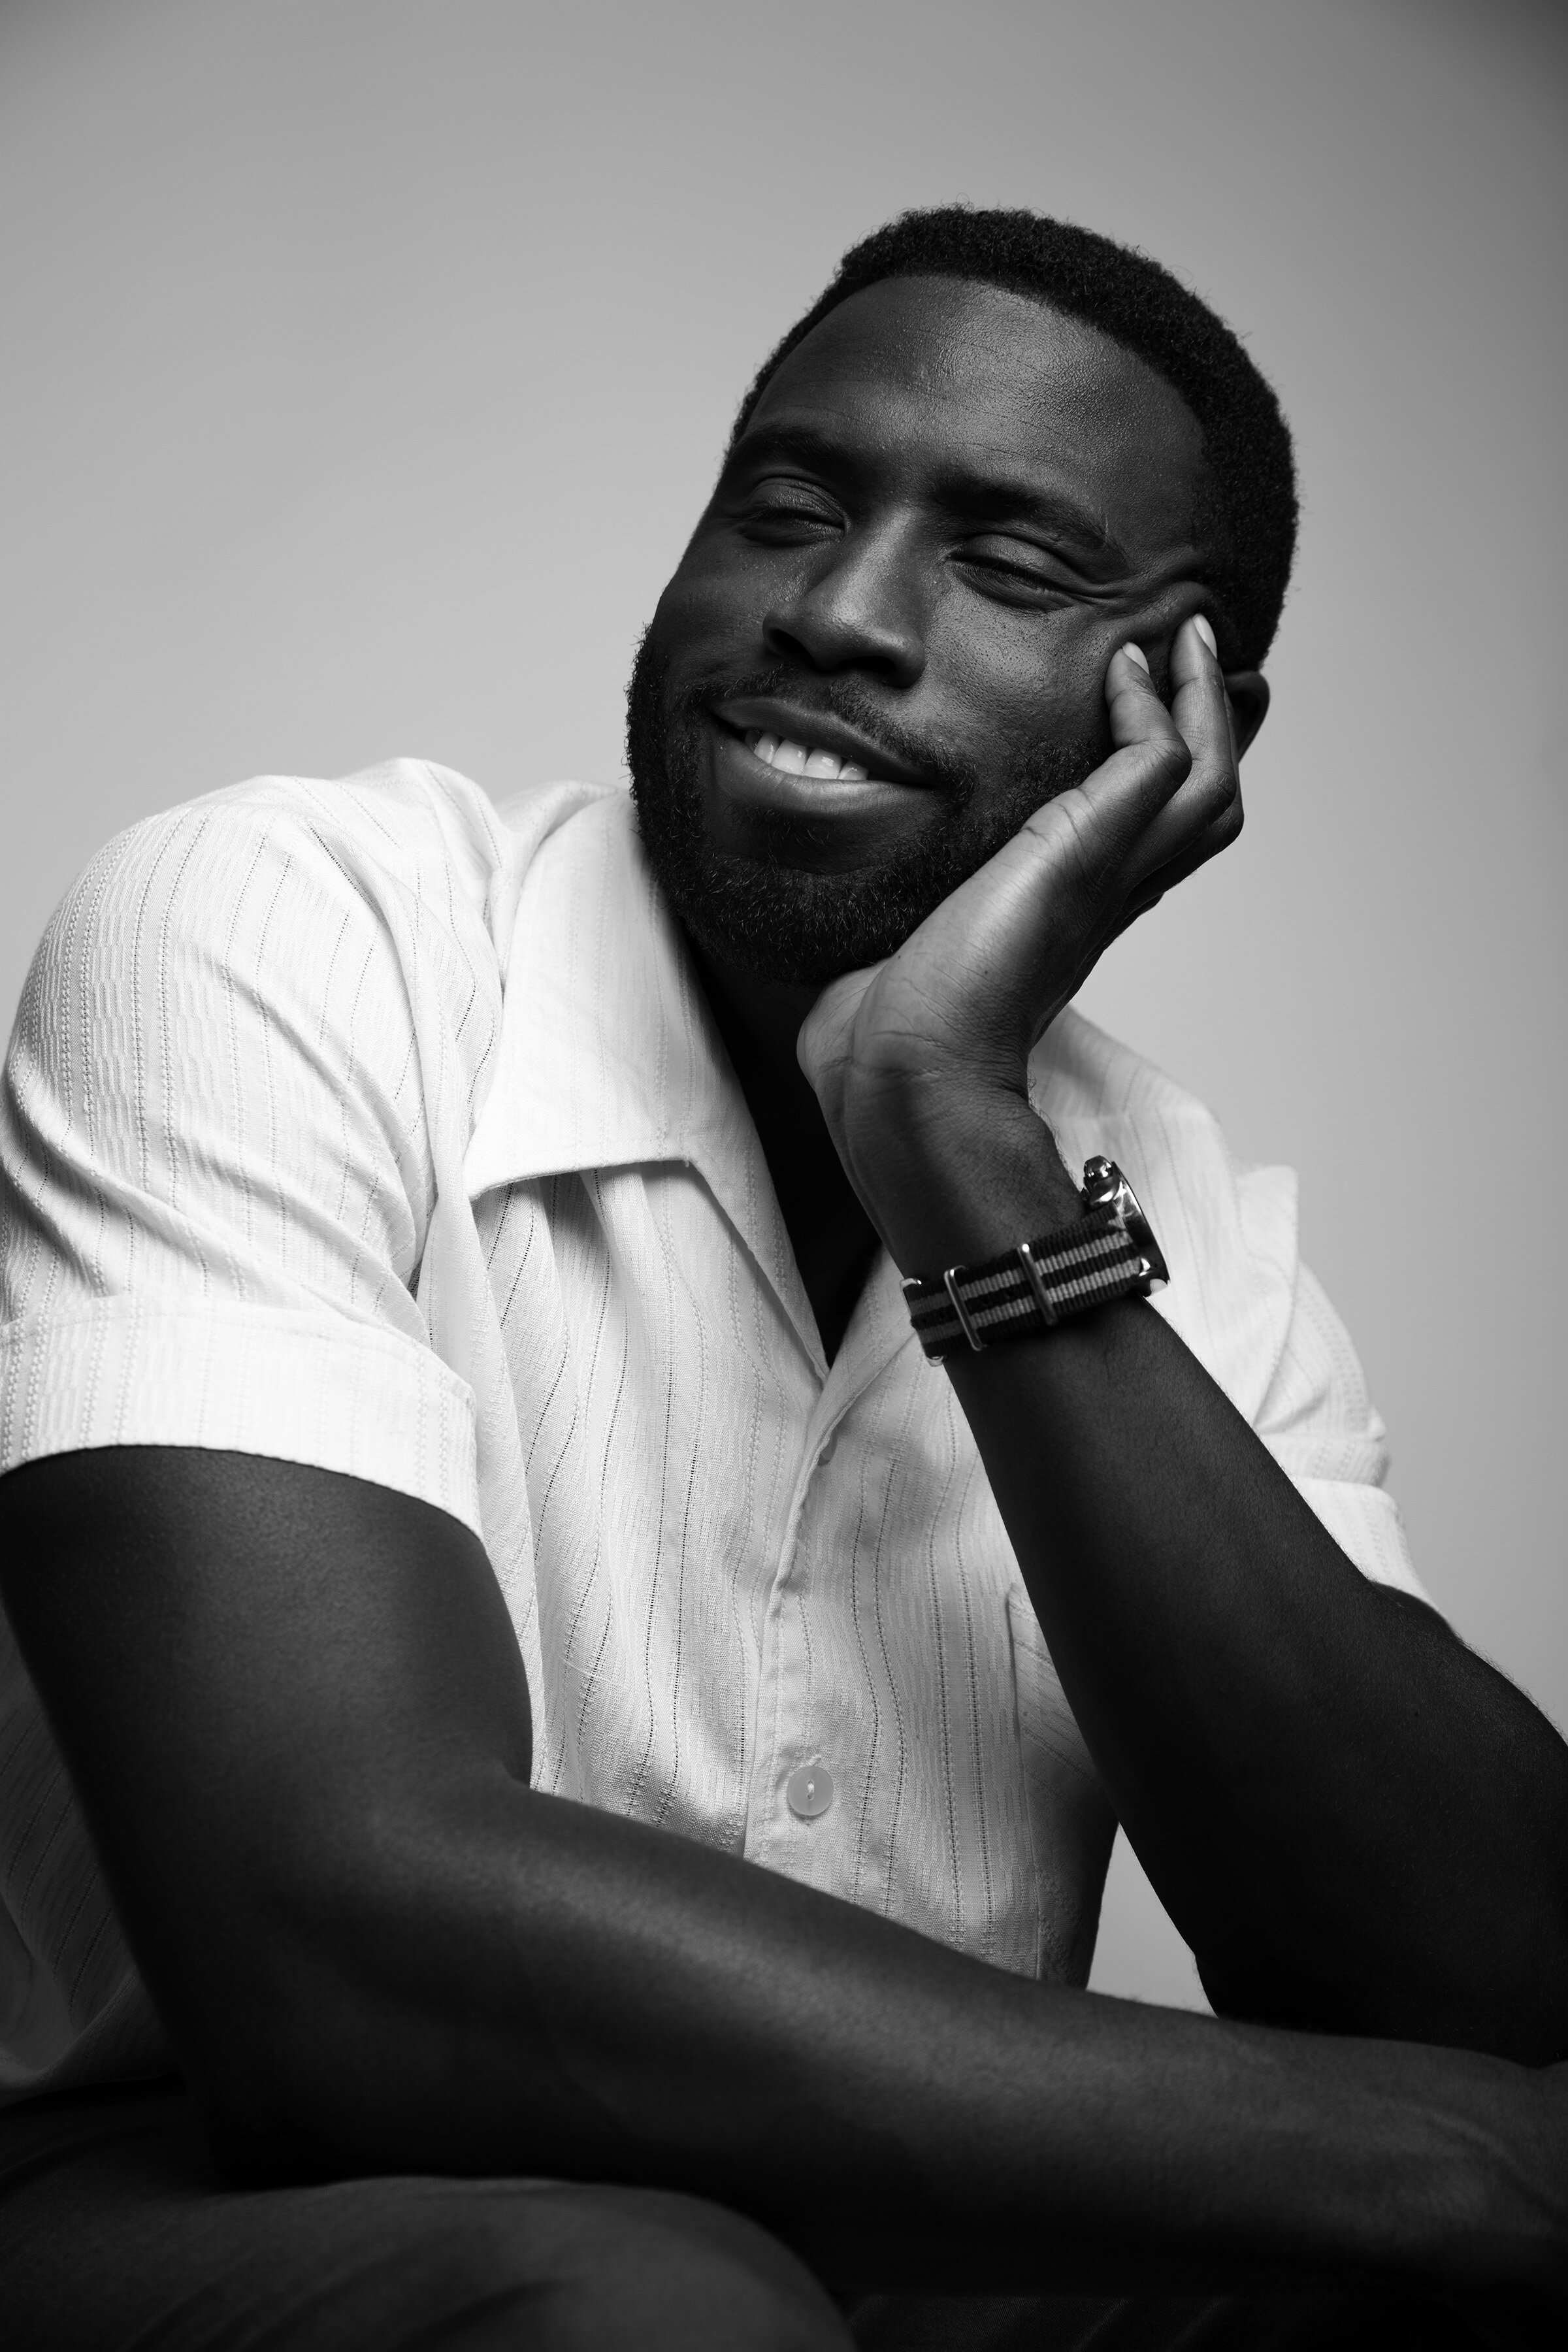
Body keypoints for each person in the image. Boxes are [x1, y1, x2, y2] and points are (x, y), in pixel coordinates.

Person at [0, 205, 1564, 2351]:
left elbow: (1473, 1977)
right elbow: (327, 1949)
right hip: (173, 2198)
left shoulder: (1179, 1204)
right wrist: (1430, 2163)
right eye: (789, 508)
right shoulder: (287, 930)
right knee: (655, 2308)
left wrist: (958, 1142)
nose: (835, 611)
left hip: (890, 2246)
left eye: (1008, 564)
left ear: (1188, 715)